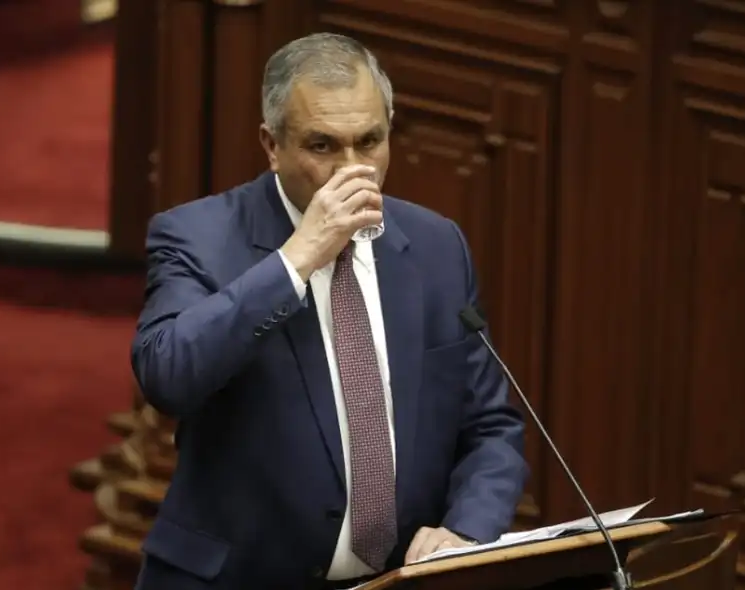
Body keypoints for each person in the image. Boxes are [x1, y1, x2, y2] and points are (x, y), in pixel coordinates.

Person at [130, 32, 527, 590]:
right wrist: (296, 261)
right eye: (322, 146)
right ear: (272, 145)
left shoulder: (438, 247)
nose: (352, 169)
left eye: (370, 142)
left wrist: (466, 531)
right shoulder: (198, 236)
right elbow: (167, 375)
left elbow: (490, 428)